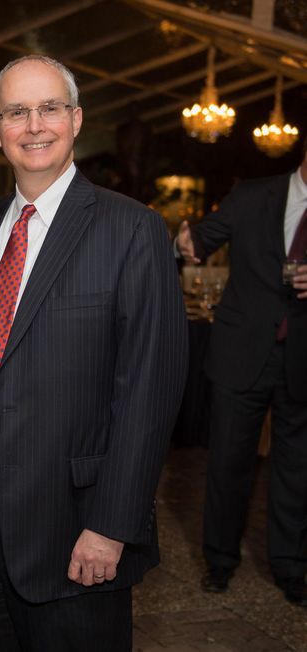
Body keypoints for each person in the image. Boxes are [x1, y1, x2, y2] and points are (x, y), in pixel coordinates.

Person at [0, 55, 188, 651]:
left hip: (73, 521)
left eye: (49, 108)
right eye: (16, 112)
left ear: (76, 120)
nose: (34, 124)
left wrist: (112, 524)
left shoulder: (133, 230)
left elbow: (150, 390)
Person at [176, 145, 307, 607]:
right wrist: (182, 241)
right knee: (229, 464)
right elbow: (199, 241)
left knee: (297, 470)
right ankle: (219, 561)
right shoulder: (252, 196)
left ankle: (292, 568)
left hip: (302, 358)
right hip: (240, 353)